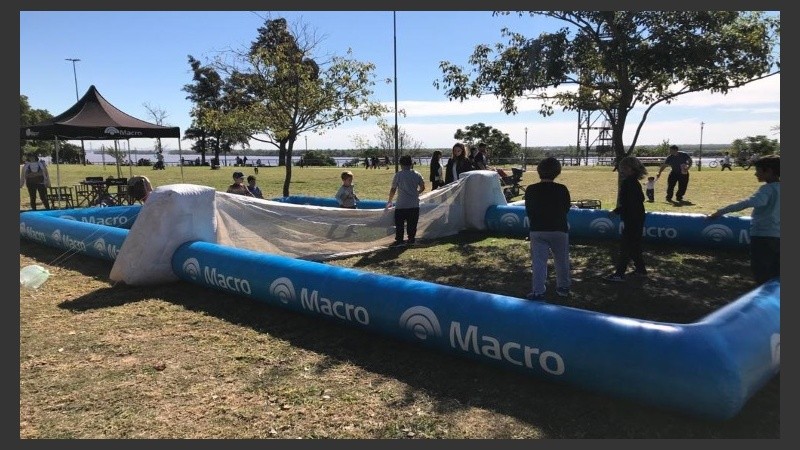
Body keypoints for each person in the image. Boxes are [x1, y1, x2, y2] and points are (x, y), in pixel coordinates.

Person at [708, 155, 779, 285]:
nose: (755, 174)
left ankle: (762, 297)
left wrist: (721, 211)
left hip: (764, 236)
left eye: (758, 170)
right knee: (777, 270)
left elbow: (748, 203)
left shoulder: (767, 189)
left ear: (768, 171)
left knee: (762, 270)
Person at [523, 157, 572, 301]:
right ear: (557, 172)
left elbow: (529, 209)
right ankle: (563, 287)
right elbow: (566, 208)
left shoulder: (531, 189)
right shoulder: (562, 189)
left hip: (538, 229)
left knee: (538, 262)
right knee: (562, 260)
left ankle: (538, 291)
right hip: (559, 229)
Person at [604, 156, 648, 282]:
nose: (621, 170)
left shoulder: (628, 183)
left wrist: (617, 211)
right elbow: (639, 200)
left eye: (624, 168)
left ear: (631, 169)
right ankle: (641, 269)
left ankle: (619, 273)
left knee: (626, 246)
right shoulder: (634, 182)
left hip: (632, 217)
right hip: (637, 216)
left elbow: (630, 203)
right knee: (634, 245)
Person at [385, 155, 425, 247]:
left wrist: (390, 200)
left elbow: (393, 189)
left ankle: (399, 240)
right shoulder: (417, 174)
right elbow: (423, 187)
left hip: (401, 204)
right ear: (411, 164)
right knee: (412, 224)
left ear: (401, 164)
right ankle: (411, 239)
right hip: (414, 205)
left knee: (400, 225)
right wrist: (417, 193)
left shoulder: (398, 175)